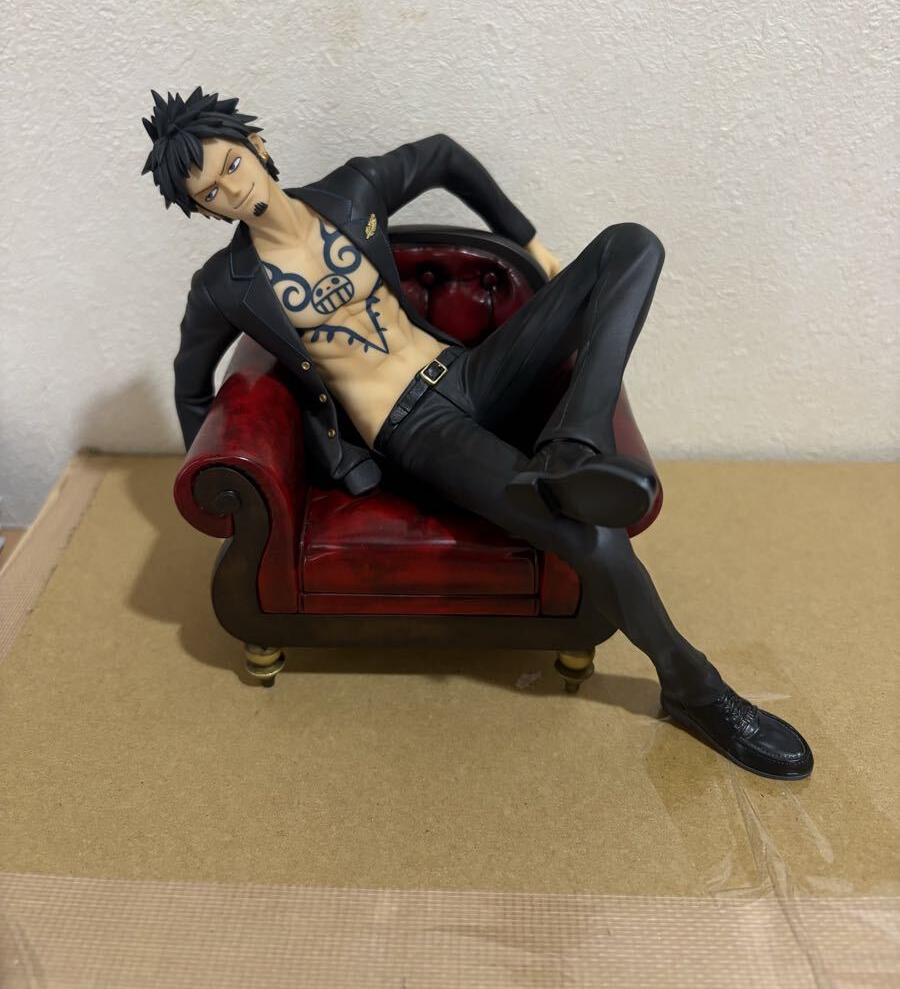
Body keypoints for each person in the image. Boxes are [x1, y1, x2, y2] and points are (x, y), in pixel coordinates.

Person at [142, 86, 814, 780]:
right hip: (413, 427)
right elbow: (192, 383)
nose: (232, 189)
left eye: (231, 165)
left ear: (256, 146)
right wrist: (218, 503)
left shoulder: (350, 192)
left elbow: (441, 155)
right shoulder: (224, 285)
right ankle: (694, 689)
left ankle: (572, 444)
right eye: (210, 192)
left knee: (632, 244)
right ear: (204, 210)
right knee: (591, 535)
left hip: (470, 372)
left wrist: (529, 243)